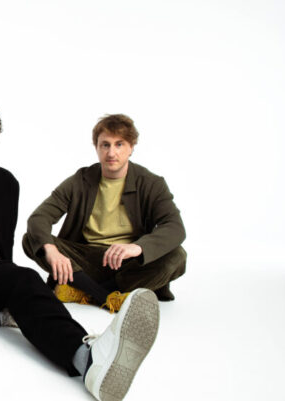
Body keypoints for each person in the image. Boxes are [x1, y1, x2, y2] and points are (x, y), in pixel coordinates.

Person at [0, 102, 159, 401]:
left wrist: (8, 286)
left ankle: (86, 359)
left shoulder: (5, 183)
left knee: (25, 280)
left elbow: (5, 241)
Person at [23, 114, 186, 313]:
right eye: (105, 145)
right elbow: (39, 218)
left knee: (178, 255)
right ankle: (108, 297)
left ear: (131, 147)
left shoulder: (151, 183)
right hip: (85, 260)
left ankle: (83, 292)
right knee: (32, 239)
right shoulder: (80, 180)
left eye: (119, 144)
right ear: (97, 147)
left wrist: (138, 247)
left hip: (128, 263)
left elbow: (175, 227)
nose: (111, 152)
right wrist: (52, 251)